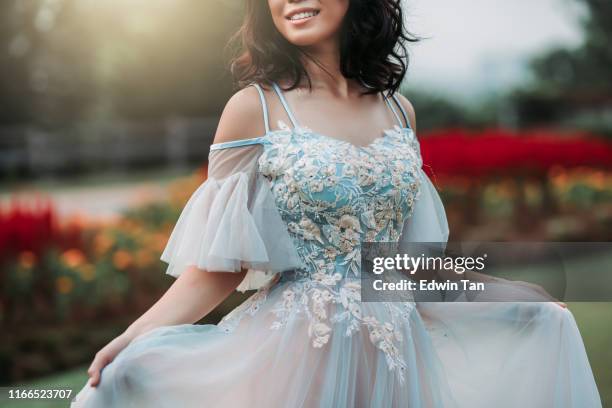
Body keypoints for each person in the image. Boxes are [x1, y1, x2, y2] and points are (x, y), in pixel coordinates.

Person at [71, 0, 602, 407]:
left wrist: (494, 288)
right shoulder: (252, 109)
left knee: (543, 317)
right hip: (297, 356)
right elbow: (217, 268)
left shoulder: (399, 111)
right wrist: (133, 336)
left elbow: (397, 264)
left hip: (396, 358)